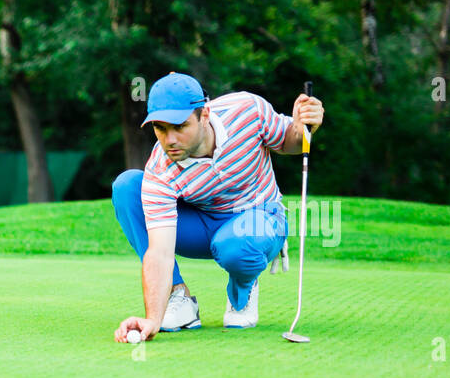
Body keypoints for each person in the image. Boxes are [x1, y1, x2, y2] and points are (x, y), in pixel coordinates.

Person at [112, 72, 324, 341]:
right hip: (201, 226)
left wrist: (304, 127)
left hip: (258, 219)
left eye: (180, 126)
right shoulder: (160, 168)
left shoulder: (247, 110)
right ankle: (178, 299)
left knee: (236, 244)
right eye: (161, 129)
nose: (170, 140)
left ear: (205, 115)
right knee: (128, 187)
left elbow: (289, 141)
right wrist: (153, 318)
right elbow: (160, 252)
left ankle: (242, 291)